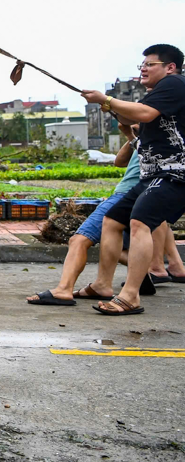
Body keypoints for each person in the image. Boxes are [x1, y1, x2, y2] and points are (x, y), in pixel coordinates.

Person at [26, 123, 184, 304]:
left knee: (79, 239)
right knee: (118, 239)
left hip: (129, 193)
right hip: (150, 193)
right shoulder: (155, 137)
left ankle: (64, 289)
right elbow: (120, 161)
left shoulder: (161, 136)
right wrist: (131, 136)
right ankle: (134, 277)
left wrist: (109, 104)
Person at [81, 44, 185, 315]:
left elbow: (144, 114)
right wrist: (111, 107)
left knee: (139, 222)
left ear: (169, 67)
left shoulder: (175, 83)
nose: (143, 69)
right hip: (152, 175)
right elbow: (131, 114)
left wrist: (106, 100)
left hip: (175, 174)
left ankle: (130, 296)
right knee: (113, 221)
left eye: (150, 64)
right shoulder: (159, 93)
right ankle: (103, 284)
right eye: (142, 65)